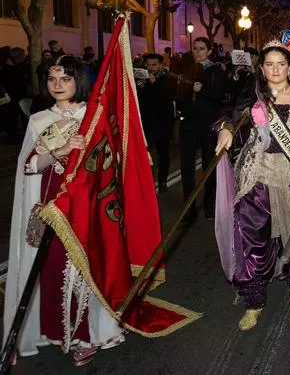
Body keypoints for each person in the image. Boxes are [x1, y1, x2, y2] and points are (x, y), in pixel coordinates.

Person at [3, 56, 124, 365]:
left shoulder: (94, 116)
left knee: (83, 271)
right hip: (51, 207)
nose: (57, 85)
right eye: (52, 79)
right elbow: (29, 165)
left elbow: (111, 162)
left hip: (86, 207)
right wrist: (60, 150)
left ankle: (87, 336)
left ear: (78, 81)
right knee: (53, 270)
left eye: (66, 79)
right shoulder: (39, 119)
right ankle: (56, 331)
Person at [214, 43, 290, 331]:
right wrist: (226, 130)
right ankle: (254, 300)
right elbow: (233, 118)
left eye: (281, 64)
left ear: (289, 67)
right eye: (270, 64)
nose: (275, 69)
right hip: (257, 171)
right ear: (261, 69)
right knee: (252, 233)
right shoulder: (253, 98)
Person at [176, 37, 227, 220]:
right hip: (188, 124)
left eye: (202, 48)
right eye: (195, 48)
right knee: (186, 167)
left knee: (209, 165)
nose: (197, 52)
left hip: (208, 124)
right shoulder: (188, 69)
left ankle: (209, 205)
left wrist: (202, 90)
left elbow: (221, 95)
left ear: (209, 50)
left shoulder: (215, 70)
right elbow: (180, 96)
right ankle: (188, 209)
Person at [138, 53, 175, 193]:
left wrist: (154, 84)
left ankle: (162, 181)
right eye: (148, 65)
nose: (150, 68)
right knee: (144, 155)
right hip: (147, 123)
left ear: (160, 65)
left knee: (163, 154)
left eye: (154, 65)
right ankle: (145, 183)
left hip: (162, 123)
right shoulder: (142, 79)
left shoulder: (167, 78)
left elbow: (167, 97)